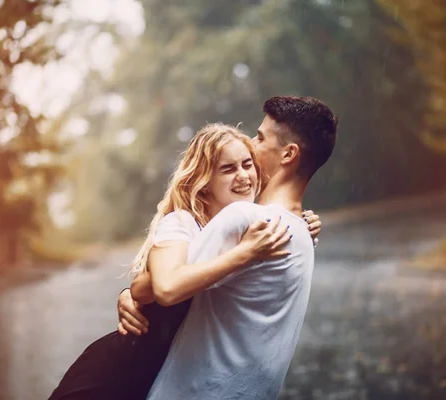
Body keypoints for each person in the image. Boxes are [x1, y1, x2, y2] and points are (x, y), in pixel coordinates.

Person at [49, 122, 322, 399]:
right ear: (204, 185)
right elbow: (150, 287)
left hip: (159, 376)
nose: (243, 176)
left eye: (247, 164)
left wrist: (300, 224)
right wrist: (245, 254)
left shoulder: (246, 227)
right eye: (228, 169)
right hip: (115, 374)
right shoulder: (182, 222)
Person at [140, 95, 337, 399]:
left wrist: (131, 293)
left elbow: (163, 287)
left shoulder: (245, 218)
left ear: (288, 154)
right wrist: (130, 294)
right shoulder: (301, 232)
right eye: (228, 168)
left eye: (259, 138)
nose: (252, 144)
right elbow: (157, 285)